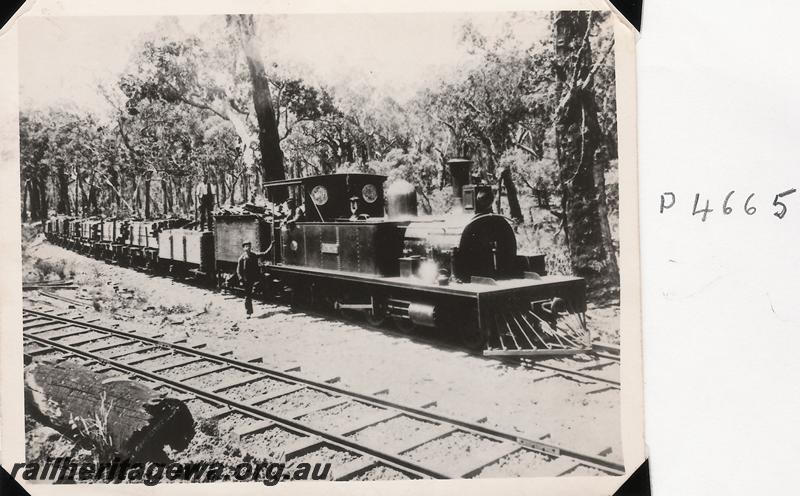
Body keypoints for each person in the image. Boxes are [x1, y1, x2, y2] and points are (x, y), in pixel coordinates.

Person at [236, 240, 273, 318]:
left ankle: (266, 296)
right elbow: (238, 271)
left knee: (265, 282)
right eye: (246, 246)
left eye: (249, 246)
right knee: (248, 296)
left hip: (254, 277)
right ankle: (248, 312)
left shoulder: (254, 255)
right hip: (246, 279)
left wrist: (271, 245)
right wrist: (241, 280)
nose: (248, 248)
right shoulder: (242, 258)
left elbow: (265, 253)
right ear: (243, 248)